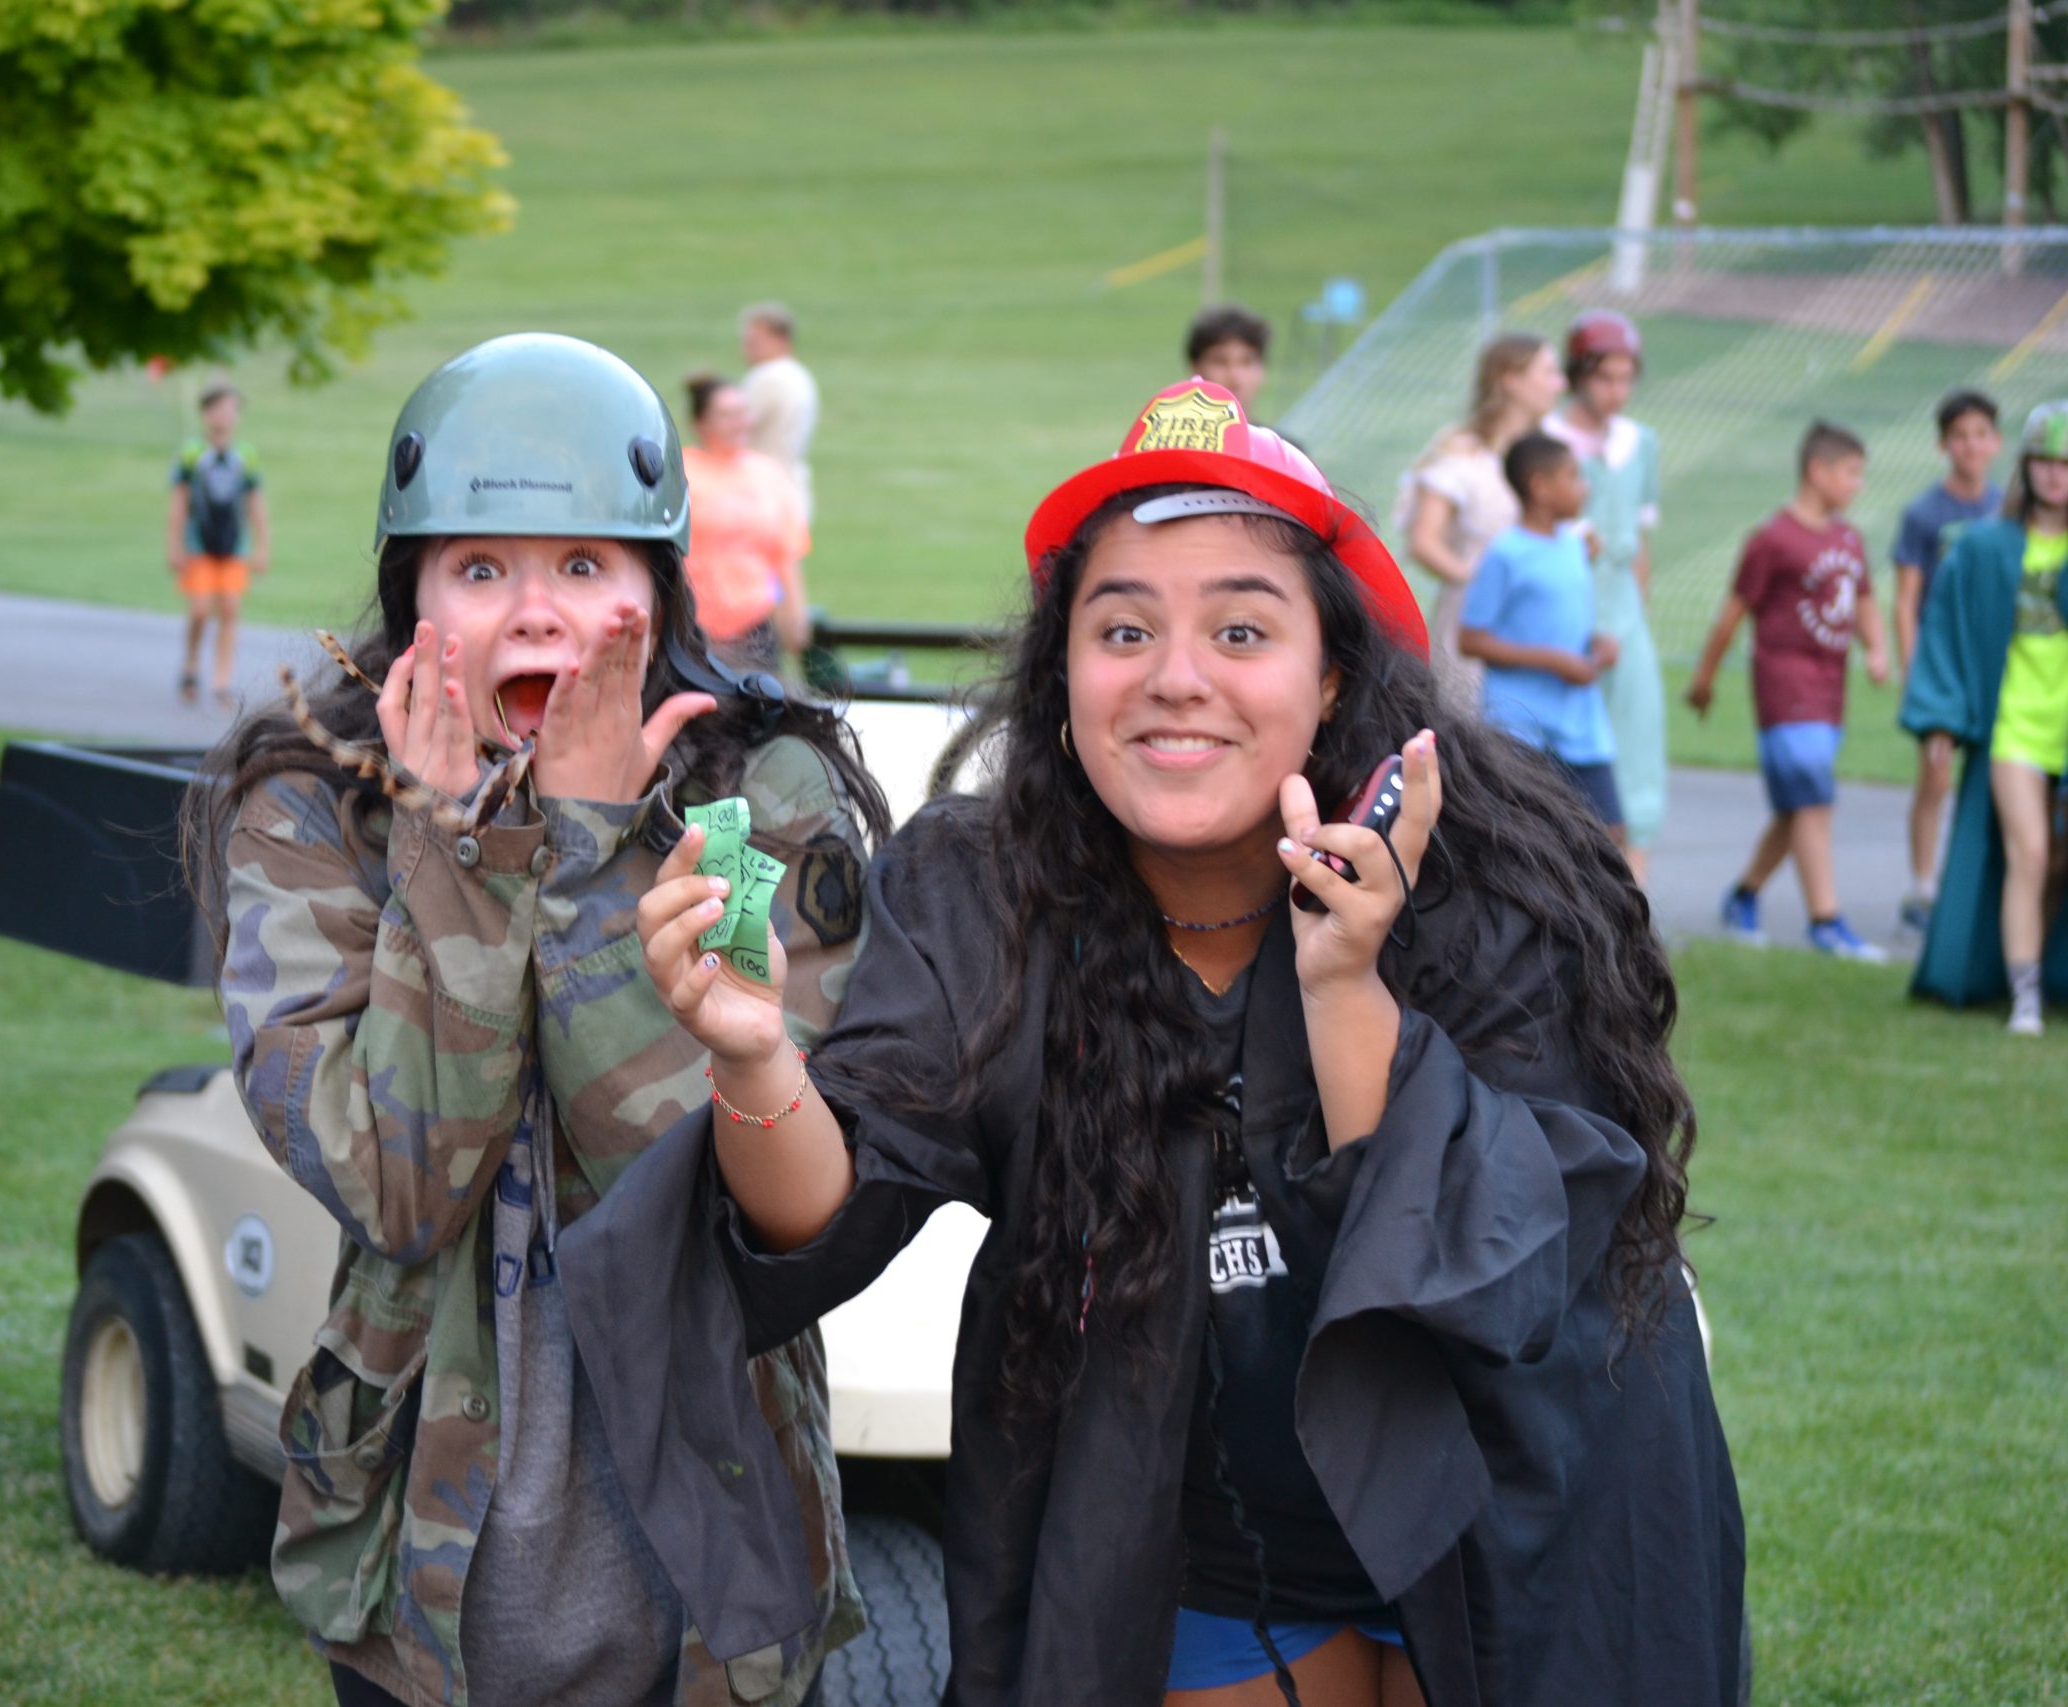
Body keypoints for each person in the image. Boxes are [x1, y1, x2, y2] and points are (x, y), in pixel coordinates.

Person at [569, 378, 1744, 1707]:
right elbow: (830, 1205)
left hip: (1521, 1515)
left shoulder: (1495, 884)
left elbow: (1501, 1261)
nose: (1175, 677)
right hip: (1186, 1544)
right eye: (1122, 627)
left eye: (1242, 627)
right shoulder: (993, 894)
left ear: (1333, 669)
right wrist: (752, 1057)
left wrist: (1347, 979)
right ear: (1063, 673)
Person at [191, 333, 888, 1707]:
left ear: (657, 585)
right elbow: (398, 1187)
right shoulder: (315, 811)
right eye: (480, 567)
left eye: (584, 565)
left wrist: (580, 850)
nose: (537, 611)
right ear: (412, 596)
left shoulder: (759, 797)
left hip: (712, 1573)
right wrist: (458, 854)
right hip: (421, 1587)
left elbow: (696, 1188)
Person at [1685, 421, 1891, 962]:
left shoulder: (1848, 537)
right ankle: (1826, 921)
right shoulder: (1773, 539)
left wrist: (1876, 647)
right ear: (1817, 471)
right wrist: (1704, 677)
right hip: (1785, 685)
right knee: (1813, 796)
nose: (1857, 484)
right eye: (1851, 472)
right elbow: (1733, 612)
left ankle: (1744, 895)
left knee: (1798, 805)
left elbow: (1864, 598)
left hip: (1830, 690)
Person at [1901, 400, 2068, 1035]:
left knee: (2057, 860)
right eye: (2046, 462)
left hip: (2065, 726)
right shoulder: (1984, 548)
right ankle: (2025, 998)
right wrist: (1941, 715)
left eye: (2067, 464)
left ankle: (2035, 973)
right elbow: (1944, 631)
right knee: (2028, 852)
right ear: (2027, 468)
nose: (2056, 476)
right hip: (2015, 728)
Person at [1543, 310, 1666, 877]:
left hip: (1624, 613)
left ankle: (1635, 895)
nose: (1616, 391)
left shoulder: (1640, 443)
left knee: (1638, 750)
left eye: (1626, 378)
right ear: (1578, 374)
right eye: (1604, 377)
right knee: (1564, 756)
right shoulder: (1548, 440)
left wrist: (1630, 618)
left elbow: (1639, 542)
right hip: (1565, 609)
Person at [1457, 433, 1625, 843]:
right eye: (1573, 476)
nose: (1583, 487)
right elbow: (1471, 639)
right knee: (1530, 837)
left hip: (1581, 722)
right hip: (1522, 725)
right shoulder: (1506, 553)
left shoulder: (1575, 546)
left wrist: (1598, 645)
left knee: (1609, 832)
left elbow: (1567, 620)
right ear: (1540, 487)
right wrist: (1553, 661)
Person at [1892, 389, 2006, 932]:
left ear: (1997, 442)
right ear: (1944, 444)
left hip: (1993, 665)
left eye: (1981, 434)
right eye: (1960, 436)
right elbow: (1906, 598)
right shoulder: (1925, 512)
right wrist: (1917, 674)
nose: (1971, 445)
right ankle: (1923, 887)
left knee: (1994, 779)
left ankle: (1979, 889)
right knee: (1935, 777)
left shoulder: (2007, 507)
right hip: (1944, 667)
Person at [1397, 333, 1567, 688]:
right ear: (1512, 380)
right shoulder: (1463, 451)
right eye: (1548, 372)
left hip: (1541, 614)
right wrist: (1479, 579)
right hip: (1477, 618)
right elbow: (1424, 540)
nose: (1560, 384)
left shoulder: (1553, 450)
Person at [679, 371, 812, 670]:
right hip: (693, 625)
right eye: (726, 415)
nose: (739, 423)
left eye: (742, 413)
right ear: (701, 424)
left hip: (754, 626)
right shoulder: (683, 472)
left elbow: (785, 551)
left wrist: (795, 613)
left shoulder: (768, 474)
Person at [168, 381, 271, 705]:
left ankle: (221, 680)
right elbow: (180, 503)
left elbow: (255, 504)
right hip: (199, 544)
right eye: (221, 407)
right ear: (206, 412)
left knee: (230, 607)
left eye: (232, 409)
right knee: (199, 609)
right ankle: (190, 664)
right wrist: (174, 546)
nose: (226, 415)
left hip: (233, 545)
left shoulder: (246, 456)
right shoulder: (192, 453)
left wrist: (261, 545)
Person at [739, 303, 819, 523]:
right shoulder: (800, 375)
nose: (746, 349)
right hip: (792, 484)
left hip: (760, 490)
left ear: (780, 339)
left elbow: (737, 426)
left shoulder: (767, 377)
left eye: (754, 342)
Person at [1185, 305, 1270, 419]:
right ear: (1195, 367)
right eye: (1220, 362)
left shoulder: (1275, 437)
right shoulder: (1167, 436)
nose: (1235, 375)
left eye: (1246, 362)